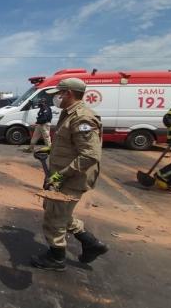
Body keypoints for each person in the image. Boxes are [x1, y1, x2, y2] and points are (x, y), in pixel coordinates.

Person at [31, 78, 108, 271]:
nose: (56, 98)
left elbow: (90, 155)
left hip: (71, 177)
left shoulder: (82, 118)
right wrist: (51, 151)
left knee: (54, 219)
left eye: (59, 94)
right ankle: (91, 243)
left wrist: (59, 176)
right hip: (63, 175)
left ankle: (56, 259)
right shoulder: (68, 113)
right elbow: (69, 144)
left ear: (69, 94)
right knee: (57, 211)